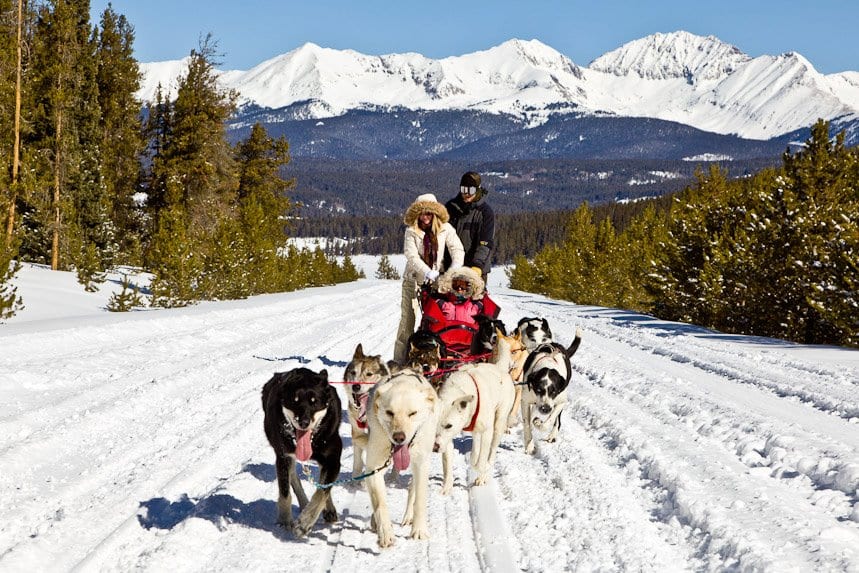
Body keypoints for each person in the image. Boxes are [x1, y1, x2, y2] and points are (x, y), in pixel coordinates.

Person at [393, 193, 464, 365]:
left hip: (436, 283)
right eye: (422, 213)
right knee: (407, 323)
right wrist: (427, 272)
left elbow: (457, 249)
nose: (425, 217)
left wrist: (454, 270)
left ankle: (433, 359)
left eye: (429, 213)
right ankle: (399, 362)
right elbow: (411, 256)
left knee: (435, 323)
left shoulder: (445, 228)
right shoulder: (411, 231)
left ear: (435, 214)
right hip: (413, 280)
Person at [444, 171, 495, 282]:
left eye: (471, 190)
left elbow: (485, 243)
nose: (466, 194)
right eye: (463, 190)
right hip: (452, 267)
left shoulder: (485, 213)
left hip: (475, 268)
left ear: (477, 189)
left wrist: (477, 265)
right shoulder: (450, 208)